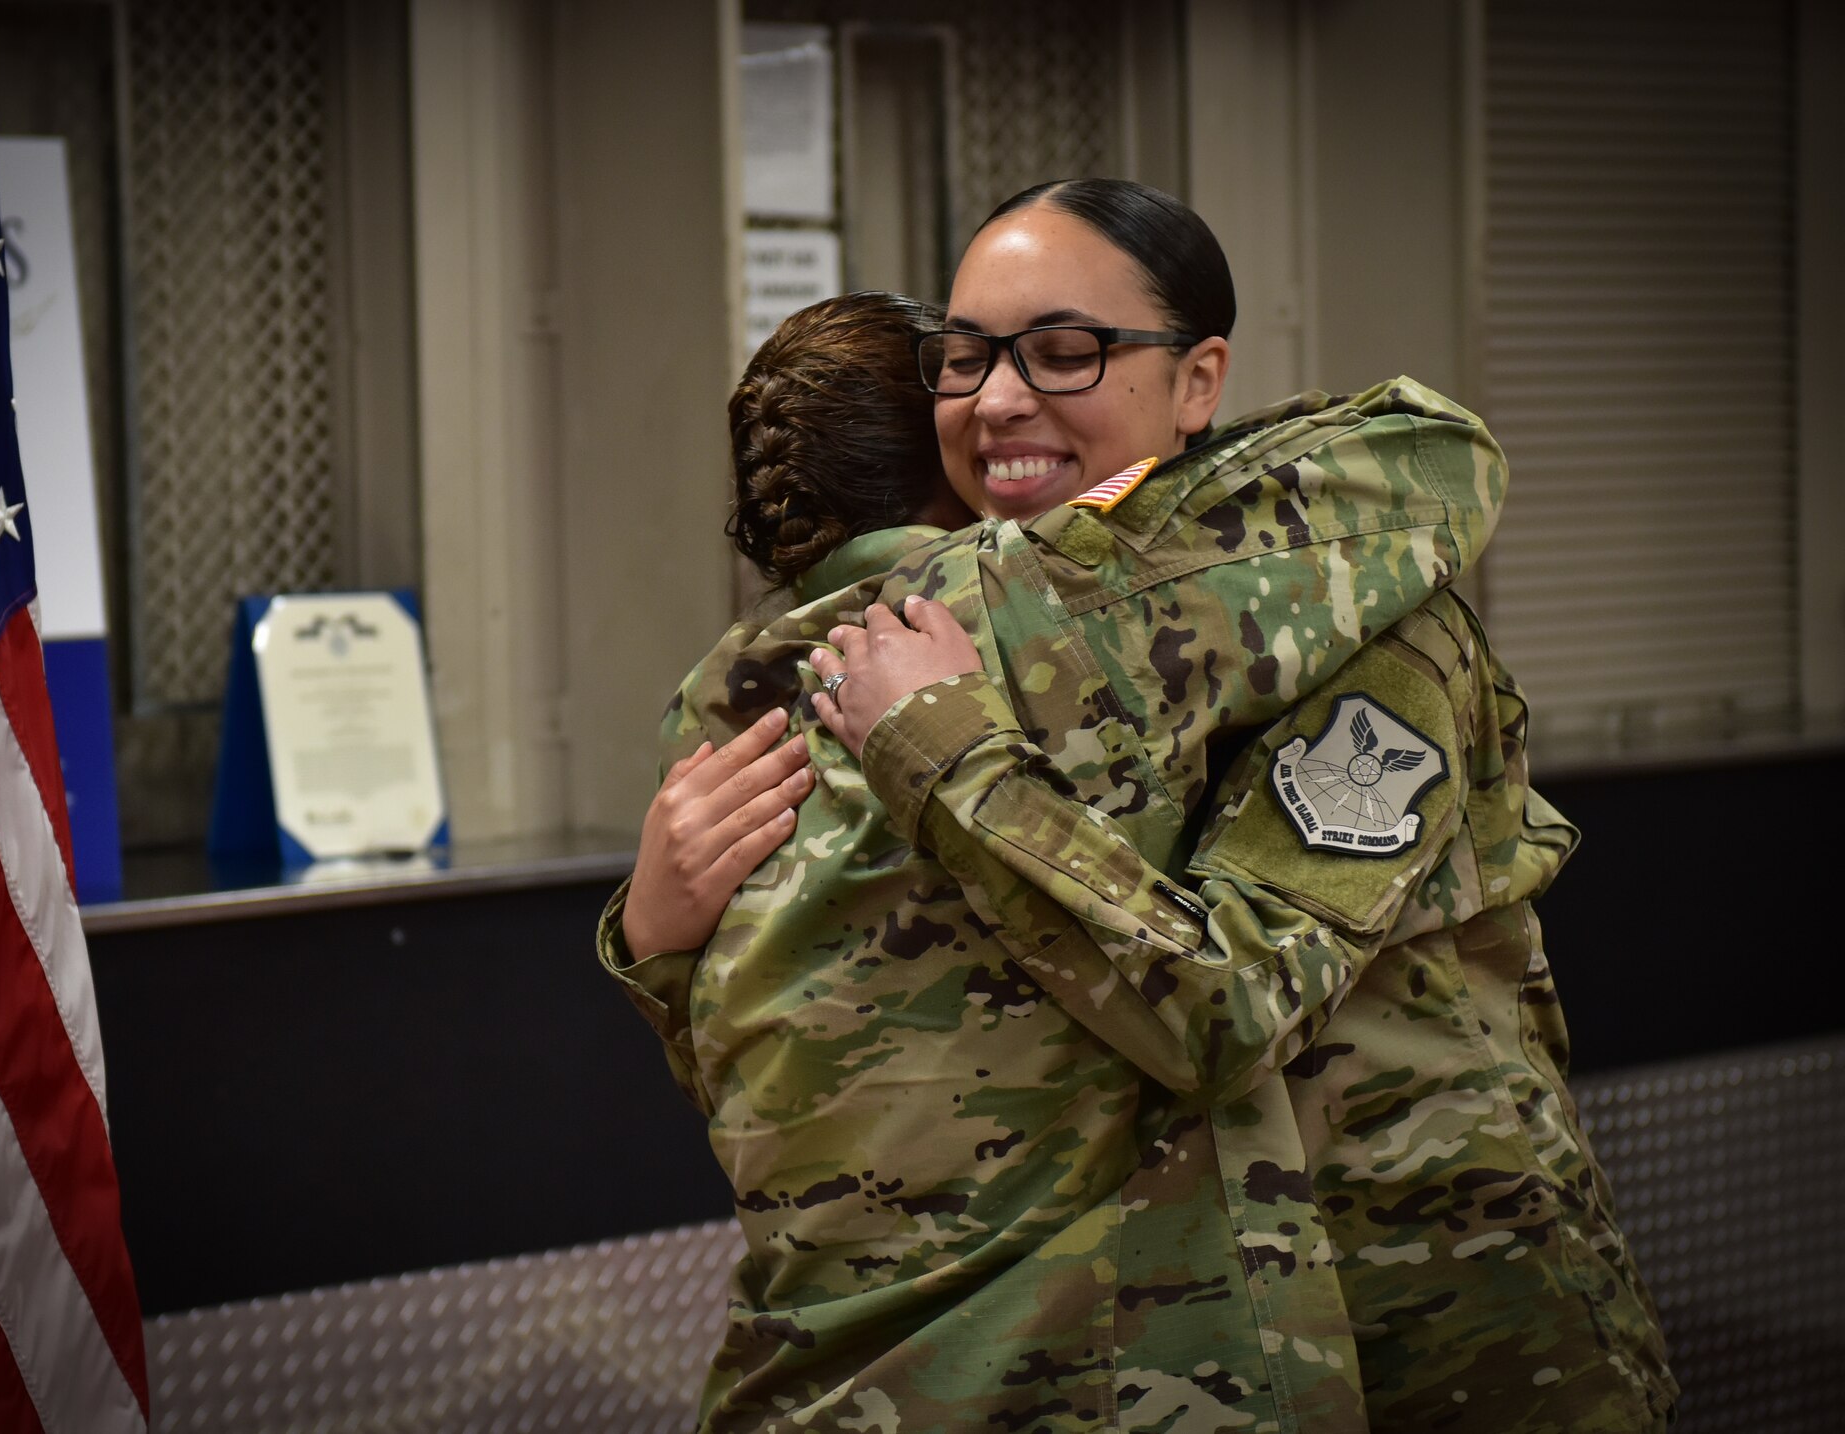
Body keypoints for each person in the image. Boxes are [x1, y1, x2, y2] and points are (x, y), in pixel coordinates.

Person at [608, 181, 1671, 1430]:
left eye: (1066, 353)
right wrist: (656, 939)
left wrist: (943, 752)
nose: (1002, 400)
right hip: (1219, 1328)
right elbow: (868, 1068)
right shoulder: (926, 651)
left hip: (1457, 1322)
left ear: (1197, 379)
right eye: (964, 360)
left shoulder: (1360, 622)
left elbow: (1223, 1005)